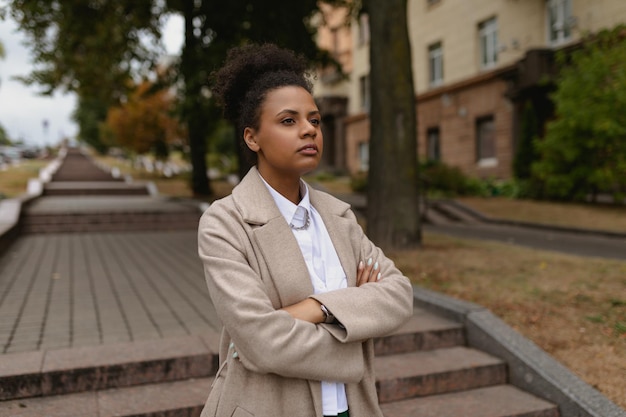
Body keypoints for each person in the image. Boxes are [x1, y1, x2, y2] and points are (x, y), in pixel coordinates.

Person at [197, 43, 414, 417]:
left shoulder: (338, 216)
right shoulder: (225, 223)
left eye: (314, 120)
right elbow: (260, 341)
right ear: (252, 138)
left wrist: (315, 308)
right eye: (288, 121)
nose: (308, 131)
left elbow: (398, 296)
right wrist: (354, 318)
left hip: (352, 407)